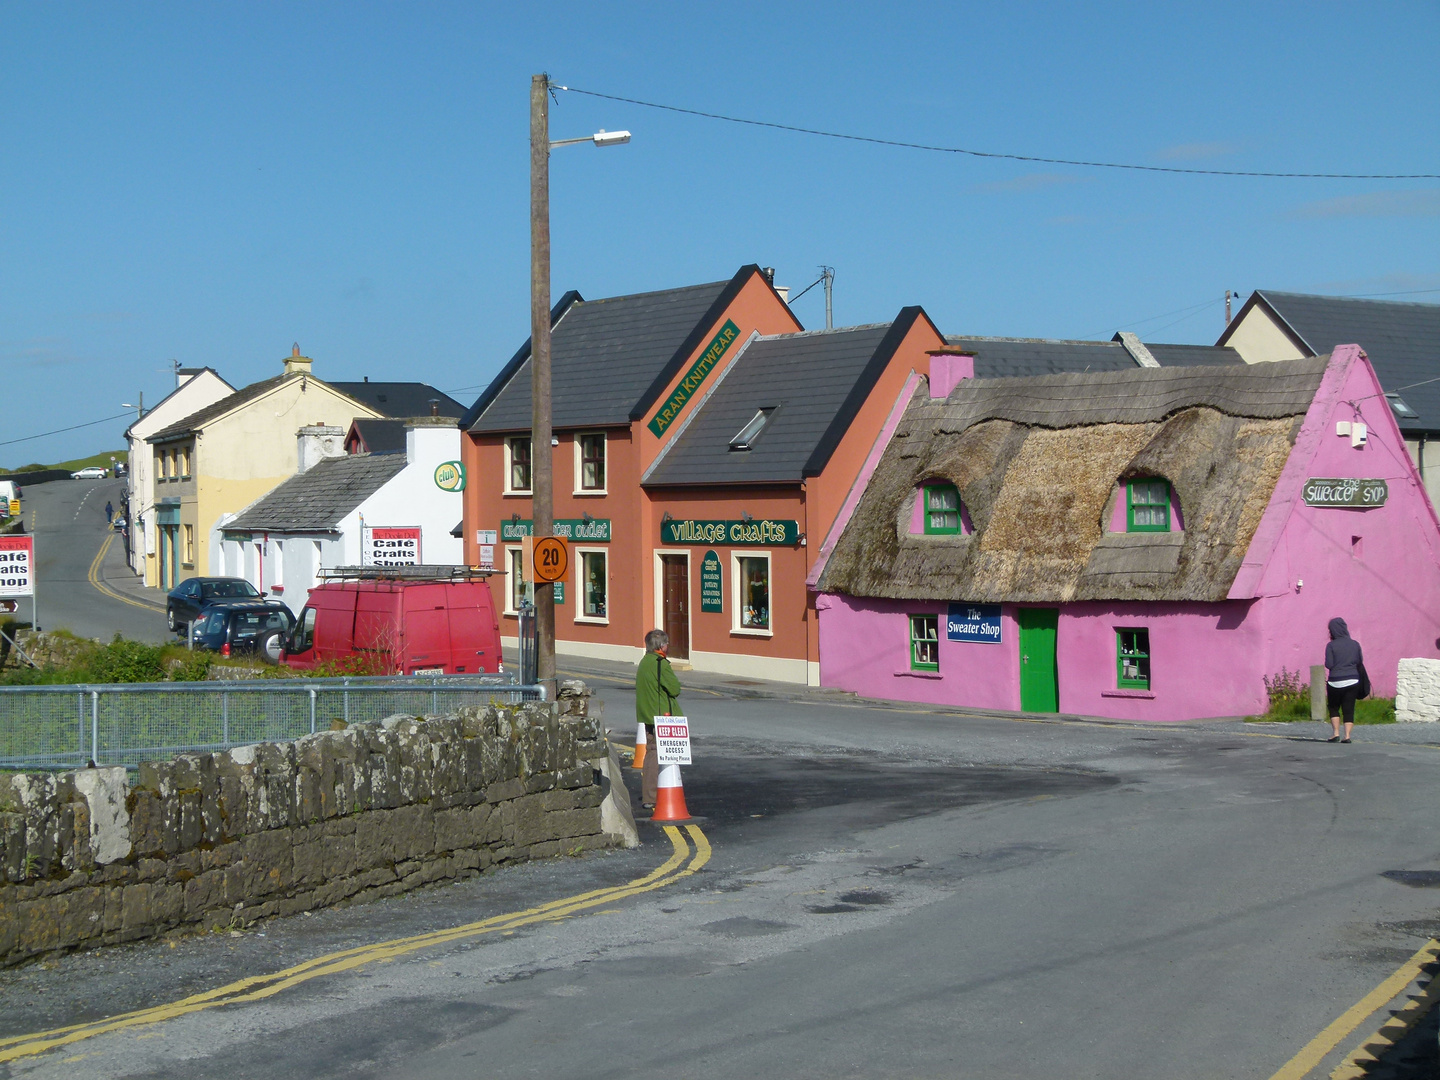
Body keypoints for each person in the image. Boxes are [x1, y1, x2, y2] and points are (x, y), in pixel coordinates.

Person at [634, 628, 681, 811]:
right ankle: (654, 796)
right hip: (662, 715)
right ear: (662, 646)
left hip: (647, 713)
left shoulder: (644, 662)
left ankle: (650, 795)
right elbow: (675, 688)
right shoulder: (661, 664)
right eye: (666, 643)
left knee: (650, 752)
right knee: (660, 754)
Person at [1324, 617, 1364, 743]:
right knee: (1349, 708)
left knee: (1334, 707)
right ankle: (1347, 736)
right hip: (1352, 680)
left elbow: (1329, 664)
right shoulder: (1355, 644)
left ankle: (1335, 733)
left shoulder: (1331, 646)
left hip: (1335, 680)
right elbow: (1359, 661)